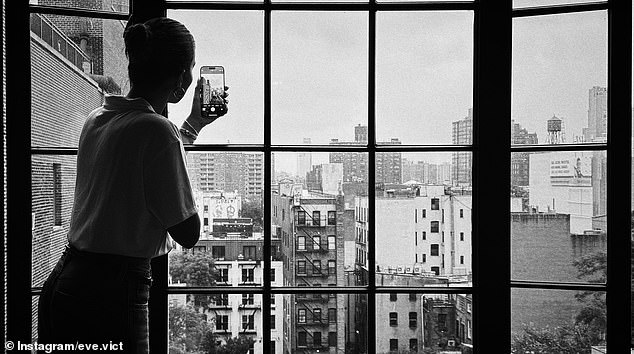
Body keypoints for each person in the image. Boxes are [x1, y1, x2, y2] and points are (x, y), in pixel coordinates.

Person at [37, 17, 227, 353]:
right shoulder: (157, 132)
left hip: (66, 283)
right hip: (112, 296)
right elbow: (188, 231)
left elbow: (141, 162)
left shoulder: (98, 119)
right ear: (182, 79)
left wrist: (194, 124)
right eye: (192, 69)